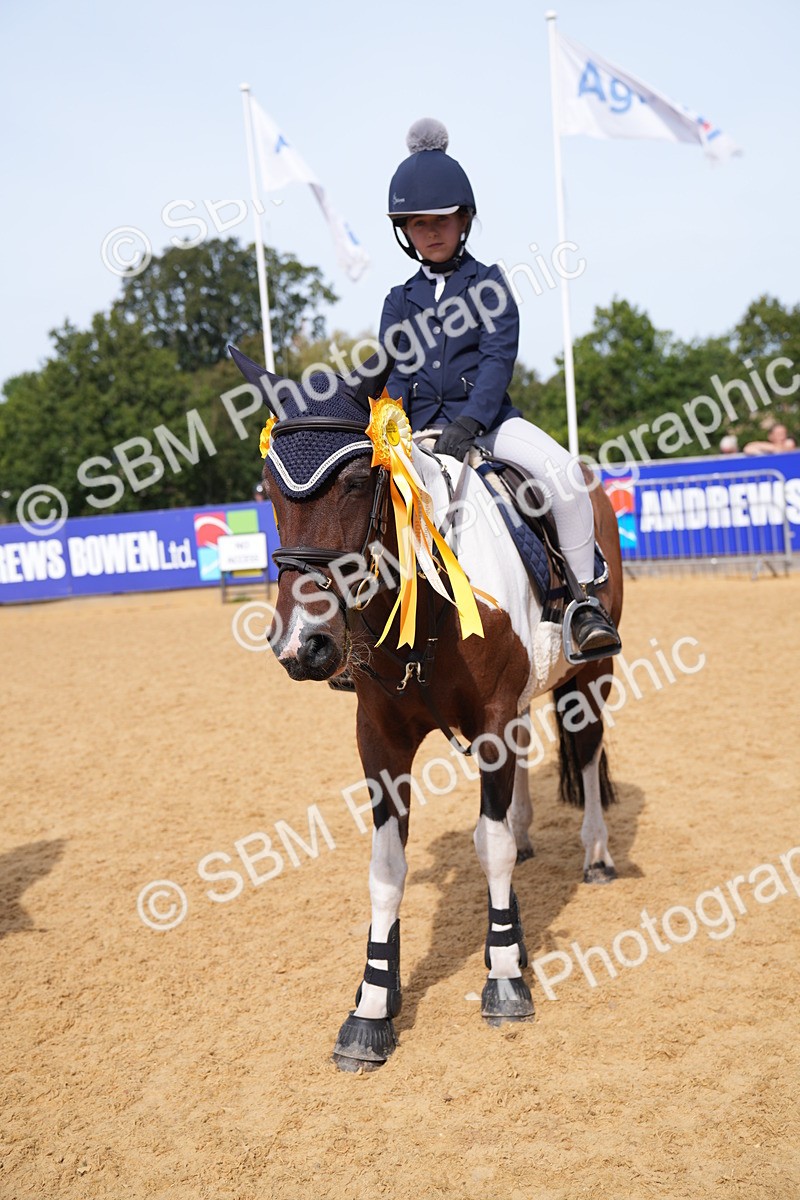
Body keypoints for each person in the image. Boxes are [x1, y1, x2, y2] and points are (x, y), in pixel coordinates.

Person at [379, 119, 621, 663]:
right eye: (419, 224)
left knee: (563, 473)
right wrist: (391, 428)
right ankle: (361, 629)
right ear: (405, 230)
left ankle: (584, 603)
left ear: (463, 220)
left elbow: (496, 361)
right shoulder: (397, 300)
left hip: (487, 424)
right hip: (414, 435)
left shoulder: (488, 284)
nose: (431, 232)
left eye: (442, 220)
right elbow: (392, 376)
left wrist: (468, 423)